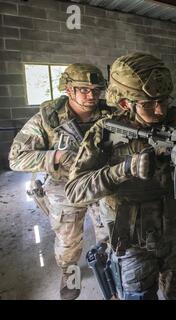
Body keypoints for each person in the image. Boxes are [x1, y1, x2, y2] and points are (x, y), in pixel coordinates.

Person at [65, 53, 176, 300]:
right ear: (125, 103)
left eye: (164, 101)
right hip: (132, 245)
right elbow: (74, 191)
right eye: (148, 104)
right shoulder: (104, 134)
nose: (159, 110)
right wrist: (123, 170)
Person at [8, 63, 112, 300]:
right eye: (83, 89)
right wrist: (55, 156)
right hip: (64, 187)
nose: (91, 95)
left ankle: (107, 271)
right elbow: (16, 158)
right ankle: (70, 276)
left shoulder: (109, 116)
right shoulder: (48, 118)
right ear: (68, 89)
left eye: (96, 90)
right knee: (68, 242)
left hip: (100, 183)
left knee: (109, 234)